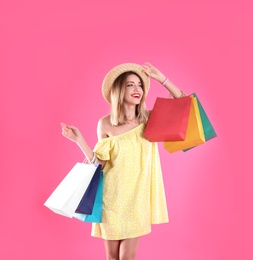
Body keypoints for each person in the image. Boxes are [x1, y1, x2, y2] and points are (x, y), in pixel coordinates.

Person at [61, 62, 185, 260]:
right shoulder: (105, 124)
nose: (137, 89)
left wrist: (161, 78)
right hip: (111, 199)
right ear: (119, 89)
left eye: (140, 85)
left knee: (127, 258)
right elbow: (98, 164)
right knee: (112, 258)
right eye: (130, 85)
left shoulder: (149, 120)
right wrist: (79, 140)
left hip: (137, 200)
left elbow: (182, 102)